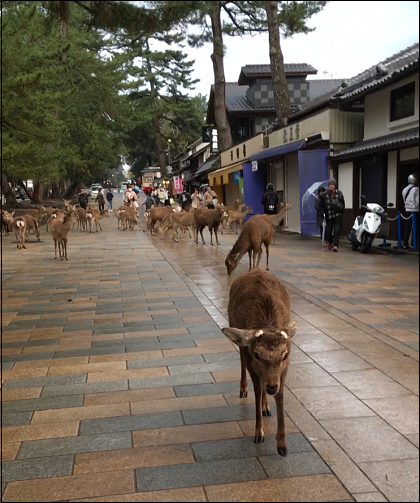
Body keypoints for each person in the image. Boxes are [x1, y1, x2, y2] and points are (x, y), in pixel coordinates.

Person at [319, 179, 345, 252]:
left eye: (332, 185)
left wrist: (342, 212)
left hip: (337, 215)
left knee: (337, 231)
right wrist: (323, 213)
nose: (331, 186)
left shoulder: (339, 194)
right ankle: (330, 242)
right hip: (329, 215)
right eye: (330, 185)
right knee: (328, 232)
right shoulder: (325, 194)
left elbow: (342, 204)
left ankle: (335, 245)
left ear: (335, 186)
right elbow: (321, 205)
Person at [402, 174, 419, 250]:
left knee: (407, 227)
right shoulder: (416, 189)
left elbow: (404, 200)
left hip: (407, 210)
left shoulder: (404, 189)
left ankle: (405, 243)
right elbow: (418, 201)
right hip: (415, 210)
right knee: (416, 227)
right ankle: (414, 243)